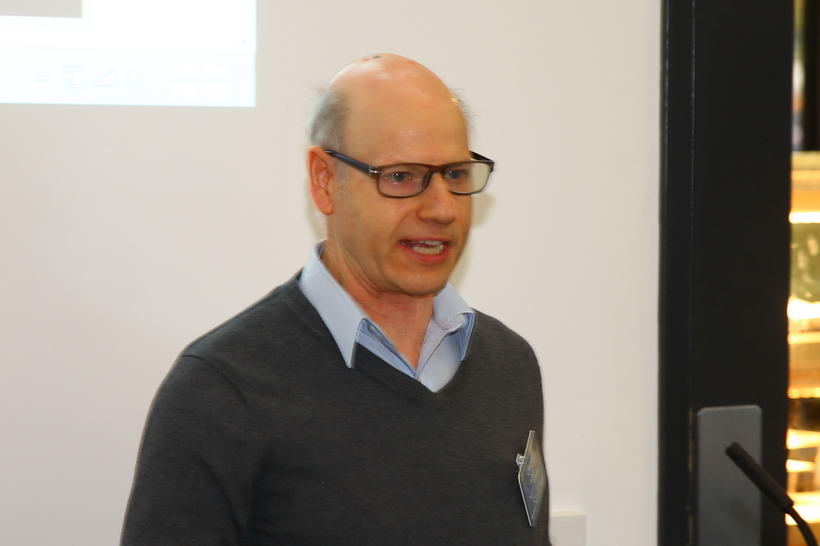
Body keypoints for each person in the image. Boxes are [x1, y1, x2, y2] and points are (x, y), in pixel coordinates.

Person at [121, 53, 550, 546]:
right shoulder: (223, 388)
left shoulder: (510, 366)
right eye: (401, 176)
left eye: (455, 175)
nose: (441, 209)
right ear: (325, 180)